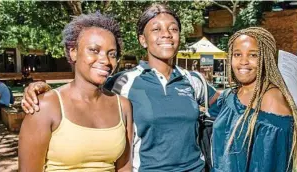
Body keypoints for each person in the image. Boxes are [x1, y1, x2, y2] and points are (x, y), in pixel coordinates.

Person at [21, 4, 220, 172]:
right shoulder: (122, 82)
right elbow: (82, 90)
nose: (166, 34)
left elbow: (228, 103)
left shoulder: (194, 81)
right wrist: (39, 89)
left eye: (173, 29)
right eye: (156, 29)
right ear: (142, 40)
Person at [18, 12, 133, 172]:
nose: (106, 61)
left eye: (111, 54)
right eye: (94, 50)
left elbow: (124, 168)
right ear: (73, 52)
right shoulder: (45, 106)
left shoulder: (123, 106)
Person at [212, 27, 297, 171]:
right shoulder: (232, 94)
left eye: (253, 55)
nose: (243, 61)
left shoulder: (271, 100)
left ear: (266, 58)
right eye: (237, 54)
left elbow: (268, 164)